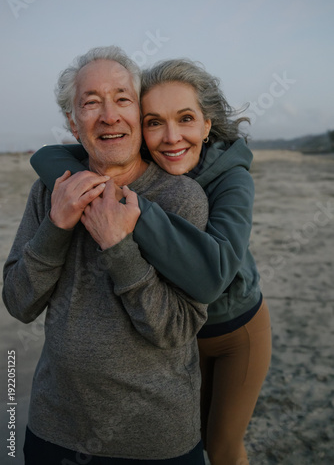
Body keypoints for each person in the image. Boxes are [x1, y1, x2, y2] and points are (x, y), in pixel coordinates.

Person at [31, 58, 272, 465]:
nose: (171, 136)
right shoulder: (142, 159)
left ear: (207, 125)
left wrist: (129, 206)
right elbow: (50, 157)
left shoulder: (231, 178)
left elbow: (213, 273)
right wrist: (83, 185)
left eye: (185, 119)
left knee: (223, 446)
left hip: (235, 330)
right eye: (154, 121)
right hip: (183, 339)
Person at [2, 47, 212, 465]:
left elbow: (175, 330)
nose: (109, 115)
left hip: (155, 438)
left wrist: (119, 249)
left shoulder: (180, 198)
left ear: (139, 112)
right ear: (73, 122)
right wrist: (55, 228)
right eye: (91, 102)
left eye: (122, 98)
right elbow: (18, 302)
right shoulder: (49, 190)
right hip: (54, 429)